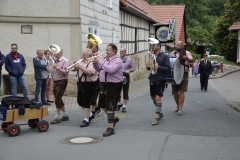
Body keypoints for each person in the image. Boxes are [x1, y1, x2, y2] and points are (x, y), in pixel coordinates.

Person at [92, 43, 123, 137]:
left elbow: (111, 70)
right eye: (106, 50)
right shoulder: (105, 59)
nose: (106, 52)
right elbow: (99, 69)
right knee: (102, 105)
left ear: (113, 51)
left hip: (113, 85)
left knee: (109, 106)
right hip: (103, 85)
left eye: (108, 50)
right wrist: (95, 63)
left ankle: (110, 128)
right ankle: (114, 118)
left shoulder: (118, 60)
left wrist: (100, 62)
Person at [146, 41, 170, 125]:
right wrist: (148, 66)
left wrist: (159, 67)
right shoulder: (152, 56)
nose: (152, 46)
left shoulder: (164, 56)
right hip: (153, 78)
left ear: (158, 46)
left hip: (161, 79)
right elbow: (149, 69)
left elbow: (168, 68)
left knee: (158, 98)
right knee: (153, 97)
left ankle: (156, 117)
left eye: (154, 45)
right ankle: (160, 111)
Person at [74, 48, 98, 127]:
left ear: (90, 55)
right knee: (80, 101)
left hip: (89, 84)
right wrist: (75, 66)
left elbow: (90, 72)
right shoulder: (81, 61)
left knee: (86, 101)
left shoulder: (93, 62)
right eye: (82, 54)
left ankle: (86, 119)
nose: (82, 56)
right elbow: (76, 69)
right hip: (80, 83)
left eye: (84, 55)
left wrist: (79, 66)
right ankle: (90, 114)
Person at [170, 41, 194, 116]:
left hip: (184, 74)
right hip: (175, 74)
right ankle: (178, 105)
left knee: (181, 91)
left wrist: (187, 59)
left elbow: (192, 60)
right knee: (174, 91)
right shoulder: (172, 53)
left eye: (178, 45)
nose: (177, 46)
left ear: (182, 46)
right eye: (176, 45)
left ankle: (180, 108)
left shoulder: (187, 53)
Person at [50, 49, 70, 124]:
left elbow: (66, 72)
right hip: (55, 81)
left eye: (56, 52)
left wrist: (57, 67)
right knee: (58, 98)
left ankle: (57, 117)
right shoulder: (55, 61)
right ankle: (65, 115)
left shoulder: (65, 61)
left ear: (60, 53)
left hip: (62, 81)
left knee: (57, 98)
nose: (54, 53)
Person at [117, 48, 135, 113]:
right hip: (118, 76)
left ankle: (124, 106)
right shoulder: (117, 59)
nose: (121, 53)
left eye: (122, 51)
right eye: (120, 51)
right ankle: (119, 103)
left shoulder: (129, 59)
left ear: (125, 52)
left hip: (125, 75)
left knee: (125, 91)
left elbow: (133, 68)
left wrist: (129, 70)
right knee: (117, 91)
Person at [90, 44, 101, 117]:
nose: (91, 47)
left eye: (92, 46)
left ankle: (93, 111)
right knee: (91, 95)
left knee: (94, 95)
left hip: (97, 78)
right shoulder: (90, 56)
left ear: (96, 48)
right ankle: (97, 108)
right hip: (90, 79)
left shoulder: (98, 56)